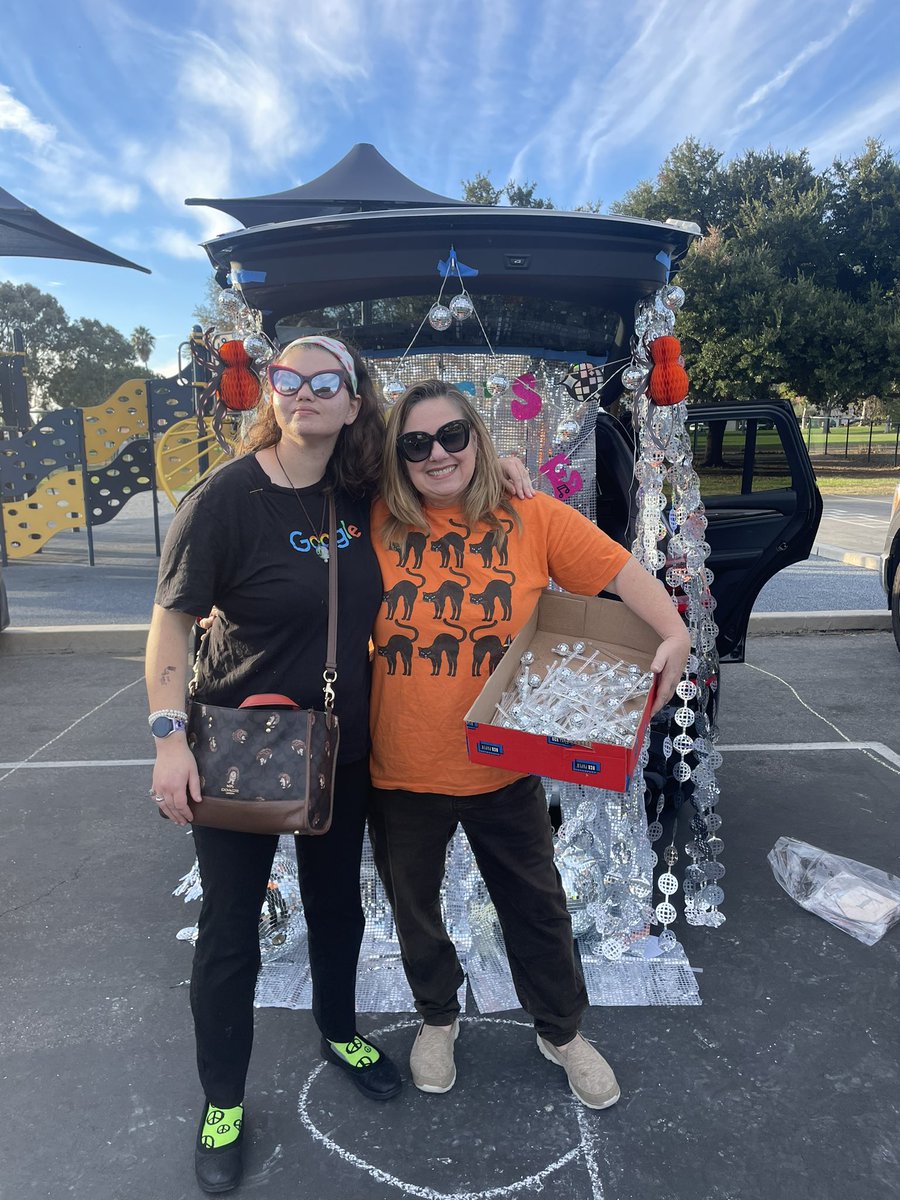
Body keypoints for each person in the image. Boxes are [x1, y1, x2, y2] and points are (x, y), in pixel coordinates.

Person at [367, 379, 691, 1111]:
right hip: (400, 771)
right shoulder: (373, 518)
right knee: (414, 910)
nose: (437, 454)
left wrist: (675, 631)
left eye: (454, 435)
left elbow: (616, 570)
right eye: (416, 443)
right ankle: (437, 1018)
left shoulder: (529, 514)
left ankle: (562, 1030)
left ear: (479, 438)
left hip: (503, 767)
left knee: (538, 909)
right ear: (399, 457)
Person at [145, 335, 402, 1195]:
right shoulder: (227, 497)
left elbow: (453, 487)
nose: (304, 393)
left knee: (337, 907)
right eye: (288, 378)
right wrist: (168, 737)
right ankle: (223, 1100)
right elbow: (171, 624)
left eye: (326, 381)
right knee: (229, 931)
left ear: (353, 402)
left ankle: (338, 1026)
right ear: (271, 390)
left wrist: (509, 480)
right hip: (241, 748)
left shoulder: (362, 490)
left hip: (340, 748)